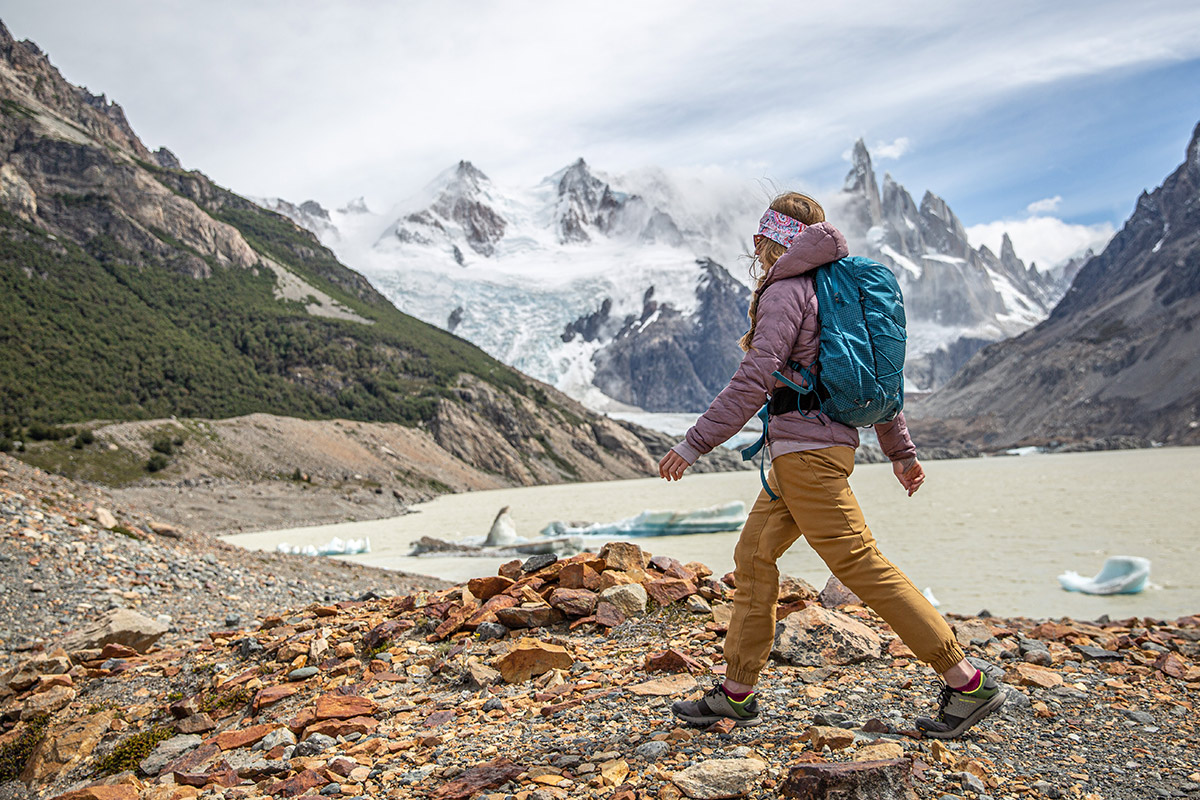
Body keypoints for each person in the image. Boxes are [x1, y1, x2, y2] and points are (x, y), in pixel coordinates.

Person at [659, 192, 1005, 739]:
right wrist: (900, 450)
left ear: (766, 242)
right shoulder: (838, 289)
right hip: (812, 454)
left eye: (760, 243)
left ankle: (967, 682)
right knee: (753, 556)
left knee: (860, 564)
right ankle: (737, 692)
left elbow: (755, 378)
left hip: (806, 460)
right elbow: (880, 377)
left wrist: (694, 443)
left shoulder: (788, 291)